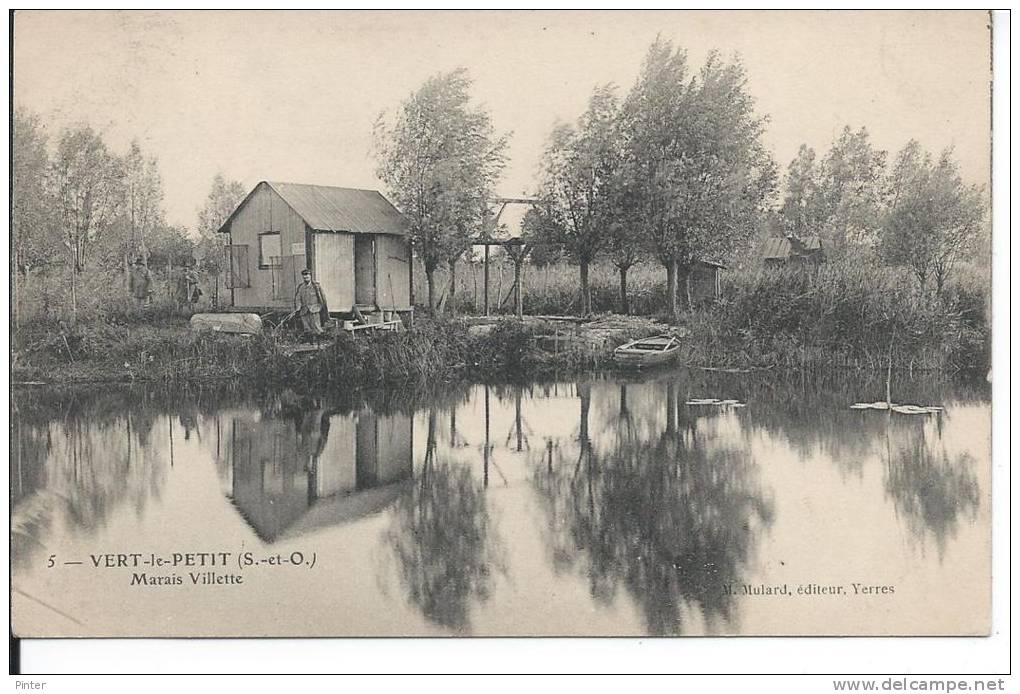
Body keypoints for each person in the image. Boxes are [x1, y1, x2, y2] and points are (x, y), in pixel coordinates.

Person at [294, 268, 328, 340]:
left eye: (307, 276)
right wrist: (298, 307)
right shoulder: (301, 287)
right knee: (307, 328)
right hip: (304, 310)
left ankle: (319, 343)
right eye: (304, 277)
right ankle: (310, 342)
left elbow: (322, 298)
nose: (306, 278)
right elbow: (298, 298)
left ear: (310, 276)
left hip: (314, 310)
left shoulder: (316, 286)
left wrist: (321, 307)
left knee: (316, 327)